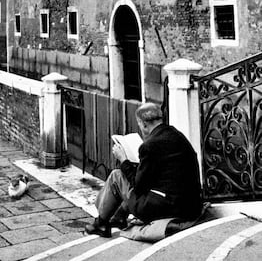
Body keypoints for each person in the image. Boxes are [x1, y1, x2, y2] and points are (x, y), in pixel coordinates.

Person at [85, 102, 202, 238]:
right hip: (190, 204)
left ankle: (101, 223)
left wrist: (123, 160)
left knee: (117, 176)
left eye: (139, 124)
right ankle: (118, 217)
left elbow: (138, 185)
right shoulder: (177, 135)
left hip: (168, 207)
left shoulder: (149, 146)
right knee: (128, 179)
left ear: (144, 124)